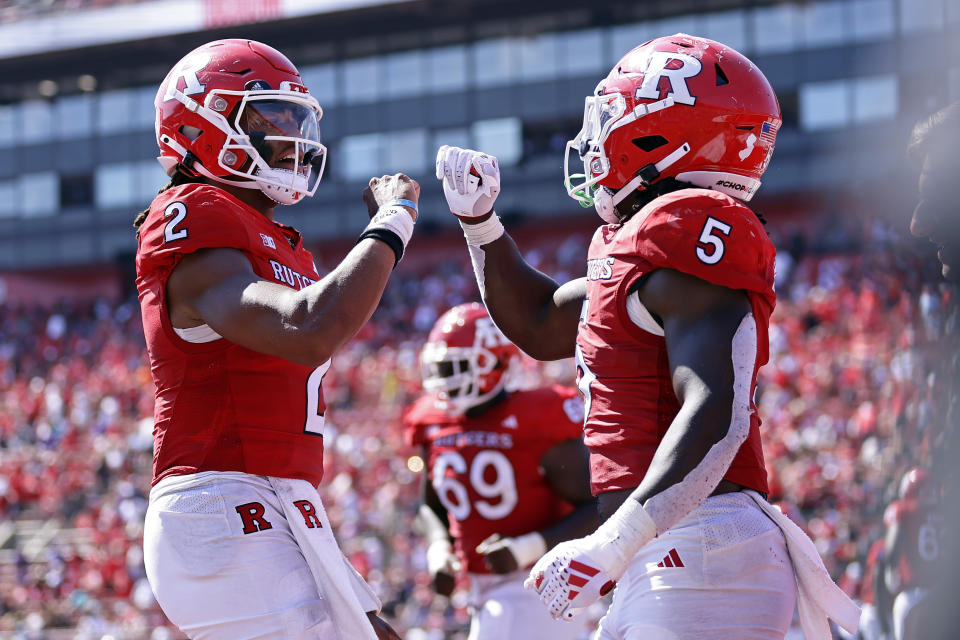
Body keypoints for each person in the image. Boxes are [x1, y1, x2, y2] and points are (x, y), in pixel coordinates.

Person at [434, 34, 859, 638]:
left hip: (697, 541)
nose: (596, 137)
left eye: (614, 116)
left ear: (663, 133)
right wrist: (481, 223)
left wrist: (613, 540)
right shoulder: (641, 247)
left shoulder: (687, 226)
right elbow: (537, 322)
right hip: (677, 545)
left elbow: (717, 408)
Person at [134, 39, 416, 639]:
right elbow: (308, 327)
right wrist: (392, 223)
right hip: (222, 498)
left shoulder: (279, 240)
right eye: (270, 118)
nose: (292, 136)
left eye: (296, 119)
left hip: (279, 498)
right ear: (202, 124)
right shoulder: (194, 209)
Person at [404, 302, 599, 640]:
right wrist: (439, 547)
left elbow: (598, 505)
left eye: (457, 368)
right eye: (441, 369)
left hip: (541, 581)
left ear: (495, 362)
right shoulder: (432, 422)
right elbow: (430, 506)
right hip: (480, 587)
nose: (446, 381)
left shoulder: (538, 417)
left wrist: (529, 546)